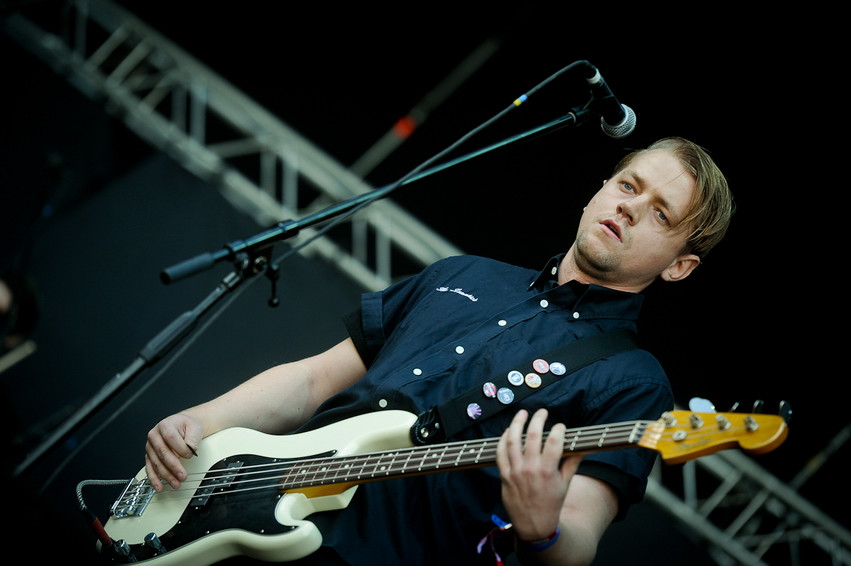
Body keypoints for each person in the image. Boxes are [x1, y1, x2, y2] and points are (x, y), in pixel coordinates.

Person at [143, 137, 734, 566]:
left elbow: (578, 533)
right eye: (628, 185)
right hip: (251, 523)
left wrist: (543, 528)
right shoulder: (463, 273)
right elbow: (312, 380)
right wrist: (205, 420)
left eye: (660, 213)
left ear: (680, 265)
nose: (630, 206)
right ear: (600, 191)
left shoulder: (634, 380)